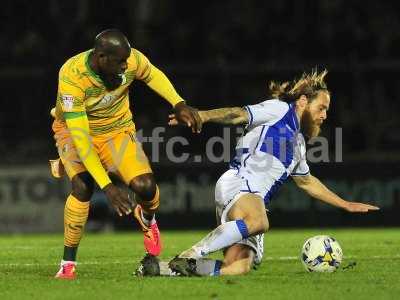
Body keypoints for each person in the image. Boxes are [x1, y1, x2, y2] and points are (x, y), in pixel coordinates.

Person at [136, 69, 379, 277]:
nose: (325, 115)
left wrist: (344, 204)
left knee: (239, 266)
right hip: (237, 183)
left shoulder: (299, 145)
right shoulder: (279, 110)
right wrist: (201, 115)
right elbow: (238, 114)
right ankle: (190, 254)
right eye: (322, 108)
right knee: (260, 221)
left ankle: (162, 268)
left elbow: (306, 181)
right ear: (303, 101)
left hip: (250, 200)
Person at [51, 29, 201, 280]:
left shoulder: (129, 59)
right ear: (101, 57)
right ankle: (67, 264)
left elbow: (153, 74)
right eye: (119, 62)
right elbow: (82, 141)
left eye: (126, 60)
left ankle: (147, 217)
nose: (125, 66)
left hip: (118, 131)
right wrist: (108, 187)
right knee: (83, 186)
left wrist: (178, 103)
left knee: (146, 186)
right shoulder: (72, 77)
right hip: (74, 132)